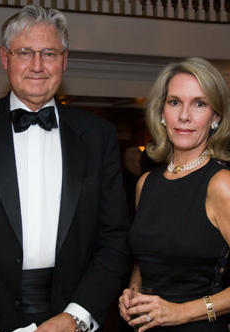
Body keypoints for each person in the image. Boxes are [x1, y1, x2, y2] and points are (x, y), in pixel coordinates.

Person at [0, 5, 131, 332]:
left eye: (49, 53)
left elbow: (115, 240)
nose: (37, 65)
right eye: (25, 52)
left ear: (64, 61)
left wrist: (76, 317)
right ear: (4, 57)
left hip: (71, 314)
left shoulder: (98, 136)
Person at [118, 57, 230, 331]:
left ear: (215, 117)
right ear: (161, 112)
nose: (184, 116)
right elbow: (145, 262)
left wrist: (182, 313)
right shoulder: (146, 183)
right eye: (175, 102)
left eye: (199, 104)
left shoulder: (221, 184)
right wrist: (132, 292)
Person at [122, 147, 142, 220]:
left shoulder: (142, 178)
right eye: (139, 161)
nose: (141, 165)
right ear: (129, 163)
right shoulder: (123, 182)